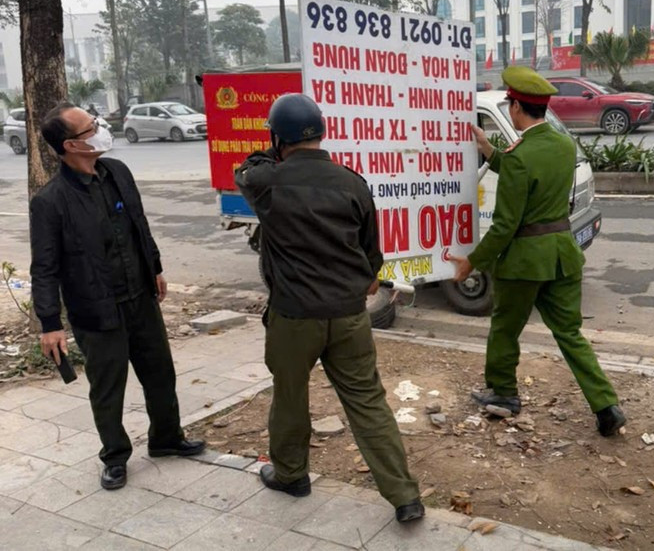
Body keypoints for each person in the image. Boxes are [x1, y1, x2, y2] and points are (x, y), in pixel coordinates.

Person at [235, 93, 424, 523]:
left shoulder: (267, 182)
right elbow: (372, 255)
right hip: (349, 316)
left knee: (290, 397)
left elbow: (245, 170)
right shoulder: (353, 183)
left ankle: (291, 475)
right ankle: (404, 496)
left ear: (278, 138)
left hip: (294, 317)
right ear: (322, 132)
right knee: (368, 402)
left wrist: (273, 152)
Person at [30, 102, 205, 491]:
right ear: (71, 145)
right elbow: (44, 268)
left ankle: (166, 438)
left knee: (160, 373)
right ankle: (114, 456)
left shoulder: (118, 173)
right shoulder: (50, 201)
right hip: (97, 310)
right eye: (90, 127)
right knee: (108, 387)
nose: (100, 128)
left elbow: (138, 223)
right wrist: (50, 323)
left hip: (140, 296)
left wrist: (155, 267)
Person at [448, 67, 626, 437]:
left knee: (505, 328)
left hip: (525, 263)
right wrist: (490, 151)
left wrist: (472, 262)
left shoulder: (520, 155)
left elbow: (504, 226)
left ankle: (504, 394)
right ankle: (606, 405)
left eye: (510, 104)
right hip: (561, 255)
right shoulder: (562, 145)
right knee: (570, 333)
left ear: (516, 108)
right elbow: (532, 173)